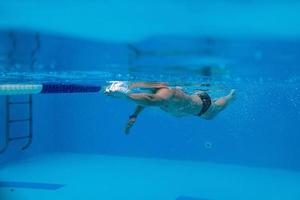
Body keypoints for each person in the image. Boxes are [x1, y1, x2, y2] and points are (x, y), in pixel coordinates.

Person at [105, 81, 235, 134]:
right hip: (190, 104)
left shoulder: (167, 91)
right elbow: (146, 100)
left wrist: (125, 96)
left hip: (203, 106)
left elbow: (154, 100)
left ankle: (229, 97)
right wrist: (134, 115)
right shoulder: (154, 90)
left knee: (212, 113)